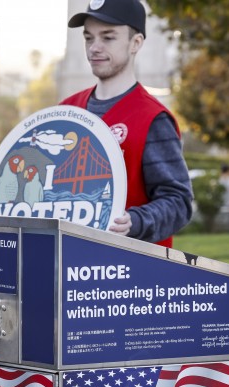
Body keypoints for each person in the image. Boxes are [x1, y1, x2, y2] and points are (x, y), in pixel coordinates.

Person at [61, 0, 193, 247]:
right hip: (70, 268)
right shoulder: (64, 112)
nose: (94, 48)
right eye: (89, 38)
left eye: (108, 38)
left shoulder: (152, 118)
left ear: (136, 43)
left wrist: (135, 221)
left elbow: (179, 202)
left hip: (129, 277)